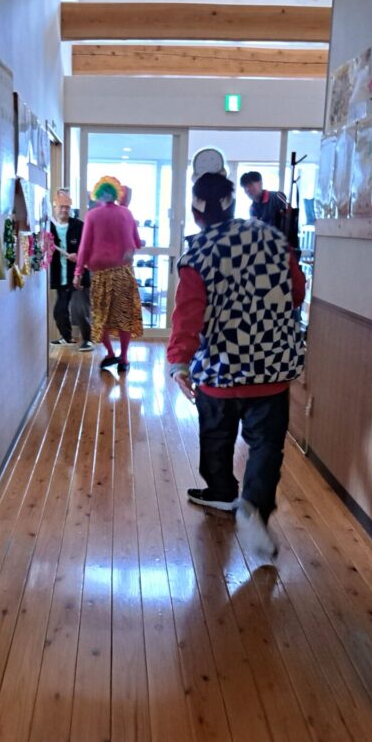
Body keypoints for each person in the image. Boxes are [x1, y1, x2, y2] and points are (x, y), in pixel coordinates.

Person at [167, 172, 306, 559]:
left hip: (220, 368)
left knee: (216, 434)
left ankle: (221, 491)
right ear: (233, 206)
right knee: (266, 445)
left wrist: (179, 363)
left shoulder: (197, 254)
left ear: (196, 212)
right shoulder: (273, 239)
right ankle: (254, 507)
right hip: (272, 367)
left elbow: (188, 314)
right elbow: (297, 292)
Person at [73, 176, 143, 373]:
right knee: (124, 316)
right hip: (124, 273)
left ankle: (111, 353)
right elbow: (137, 242)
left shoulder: (92, 216)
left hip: (101, 274)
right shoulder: (127, 213)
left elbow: (84, 247)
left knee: (100, 317)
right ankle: (124, 358)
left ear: (97, 195)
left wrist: (78, 272)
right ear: (115, 194)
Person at [49, 189, 93, 352]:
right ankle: (66, 337)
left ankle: (88, 339)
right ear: (55, 207)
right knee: (59, 311)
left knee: (80, 310)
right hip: (60, 277)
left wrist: (79, 256)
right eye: (61, 207)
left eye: (67, 207)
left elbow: (89, 249)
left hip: (78, 276)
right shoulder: (49, 227)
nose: (64, 210)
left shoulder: (79, 226)